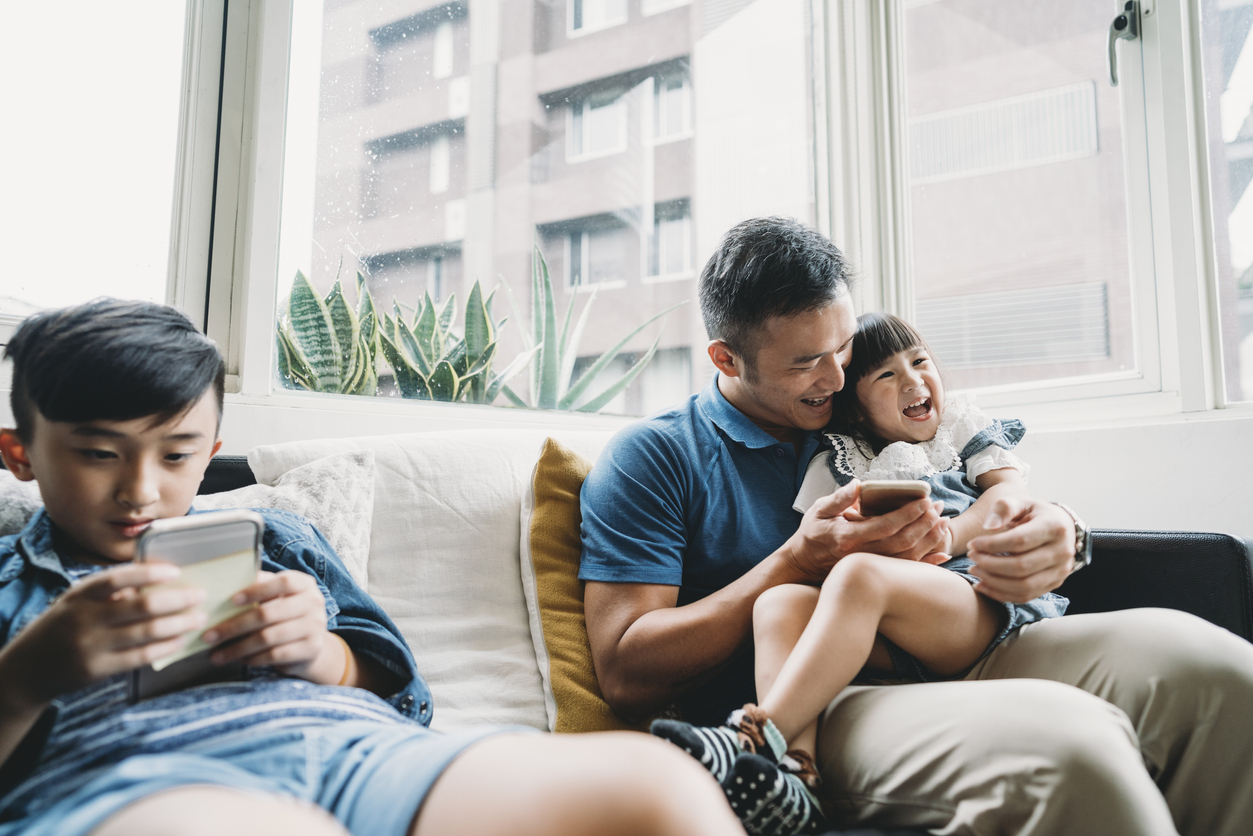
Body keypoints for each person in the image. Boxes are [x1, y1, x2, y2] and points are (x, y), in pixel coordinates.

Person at [579, 216, 1253, 835]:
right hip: (822, 698)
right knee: (1068, 751)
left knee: (1219, 674)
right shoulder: (656, 458)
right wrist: (794, 563)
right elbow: (624, 670)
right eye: (805, 362)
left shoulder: (865, 400)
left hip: (967, 634)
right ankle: (772, 755)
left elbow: (969, 484)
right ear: (726, 359)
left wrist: (1057, 530)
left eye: (842, 348)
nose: (836, 374)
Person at [0, 299, 743, 836]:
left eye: (176, 453)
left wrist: (322, 653)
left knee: (656, 788)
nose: (140, 489)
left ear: (212, 439)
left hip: (359, 753)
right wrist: (30, 673)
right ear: (21, 453)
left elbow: (406, 695)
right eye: (98, 454)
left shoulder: (275, 538)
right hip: (135, 776)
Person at [649, 311, 1069, 834]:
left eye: (920, 362)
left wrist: (949, 536)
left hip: (979, 591)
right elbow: (830, 543)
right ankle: (795, 779)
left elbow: (1009, 494)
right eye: (886, 376)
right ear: (857, 408)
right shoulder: (842, 461)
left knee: (860, 579)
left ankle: (752, 737)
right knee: (777, 603)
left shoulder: (960, 430)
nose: (914, 381)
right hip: (904, 620)